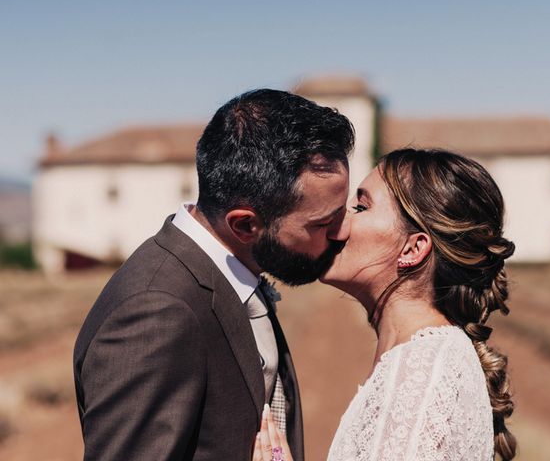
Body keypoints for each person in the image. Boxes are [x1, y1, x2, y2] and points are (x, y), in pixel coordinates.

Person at [73, 89, 354, 460]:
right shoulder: (157, 311)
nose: (342, 230)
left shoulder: (231, 273)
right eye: (323, 222)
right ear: (245, 225)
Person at [254, 148, 517, 461]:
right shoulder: (421, 360)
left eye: (361, 207)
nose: (336, 223)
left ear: (413, 248)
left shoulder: (423, 372)